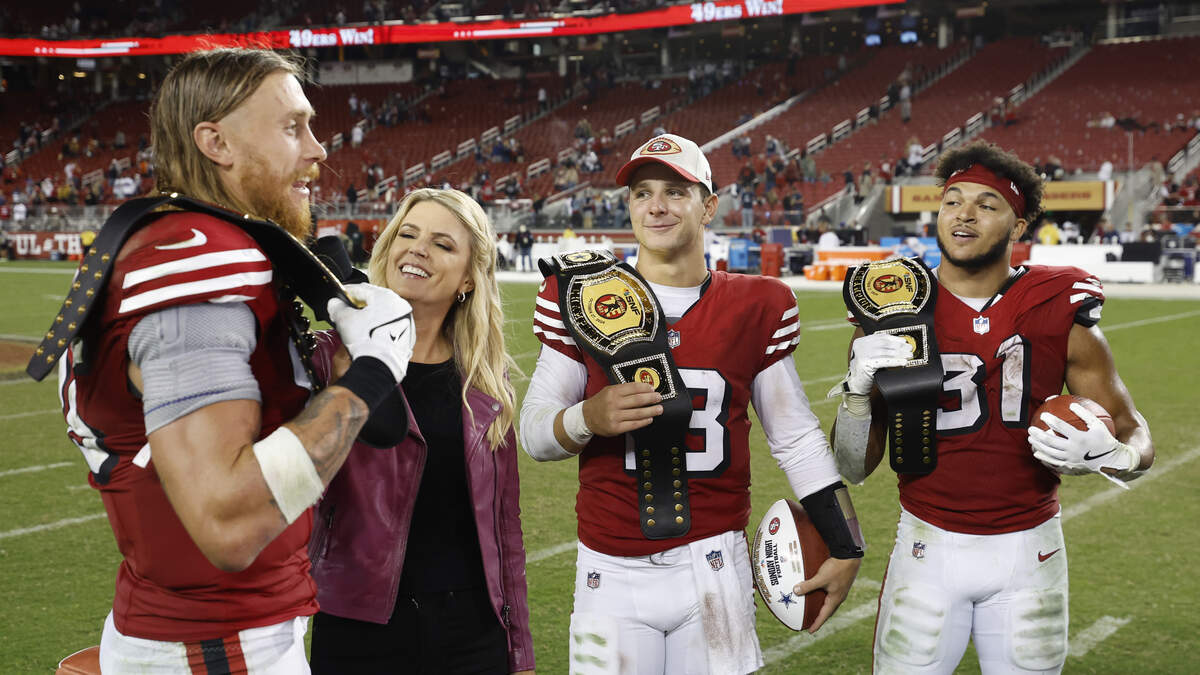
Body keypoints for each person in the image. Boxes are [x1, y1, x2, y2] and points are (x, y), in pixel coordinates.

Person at [46, 48, 416, 672]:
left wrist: (353, 367)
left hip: (216, 627)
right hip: (214, 641)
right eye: (292, 127)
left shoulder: (183, 238)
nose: (319, 149)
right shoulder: (196, 262)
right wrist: (373, 370)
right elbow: (227, 522)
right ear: (215, 142)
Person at [520, 134, 864, 674]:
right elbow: (535, 432)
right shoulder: (582, 296)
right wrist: (588, 417)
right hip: (609, 569)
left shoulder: (757, 303)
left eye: (675, 192)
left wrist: (846, 545)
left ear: (708, 206)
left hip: (715, 565)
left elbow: (795, 438)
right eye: (642, 193)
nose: (656, 206)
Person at [829, 141, 1154, 674]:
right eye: (953, 200)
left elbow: (1132, 429)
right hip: (927, 545)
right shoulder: (893, 309)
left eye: (986, 204)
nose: (964, 214)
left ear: (1018, 225)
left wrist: (1116, 456)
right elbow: (852, 467)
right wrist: (856, 394)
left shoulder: (1058, 307)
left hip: (1030, 550)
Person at [308, 189, 534, 674]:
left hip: (474, 635)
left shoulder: (485, 381)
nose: (417, 249)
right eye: (407, 235)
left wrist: (520, 651)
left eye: (442, 244)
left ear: (468, 279)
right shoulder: (327, 357)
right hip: (358, 628)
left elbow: (505, 526)